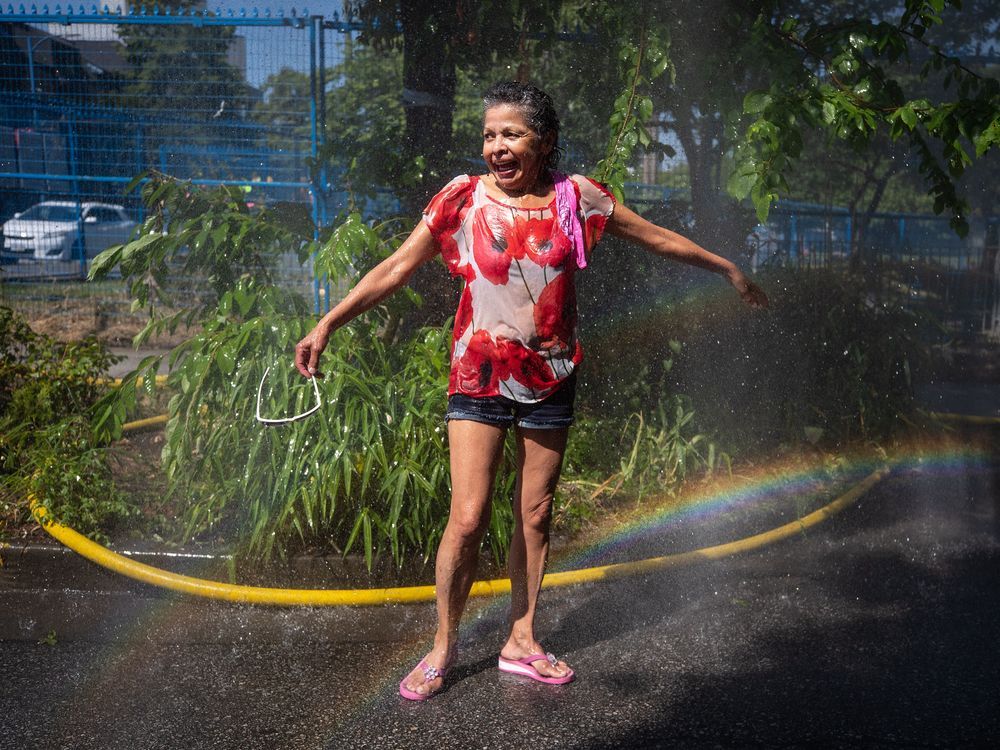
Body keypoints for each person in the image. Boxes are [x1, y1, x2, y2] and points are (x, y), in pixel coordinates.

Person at [294, 81, 768, 700]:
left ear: (543, 142)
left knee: (536, 512)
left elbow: (653, 236)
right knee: (467, 518)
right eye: (489, 134)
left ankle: (521, 638)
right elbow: (396, 266)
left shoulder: (578, 198)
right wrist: (329, 321)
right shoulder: (462, 198)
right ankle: (443, 645)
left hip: (551, 374)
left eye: (511, 134)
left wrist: (725, 267)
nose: (497, 147)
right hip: (479, 373)